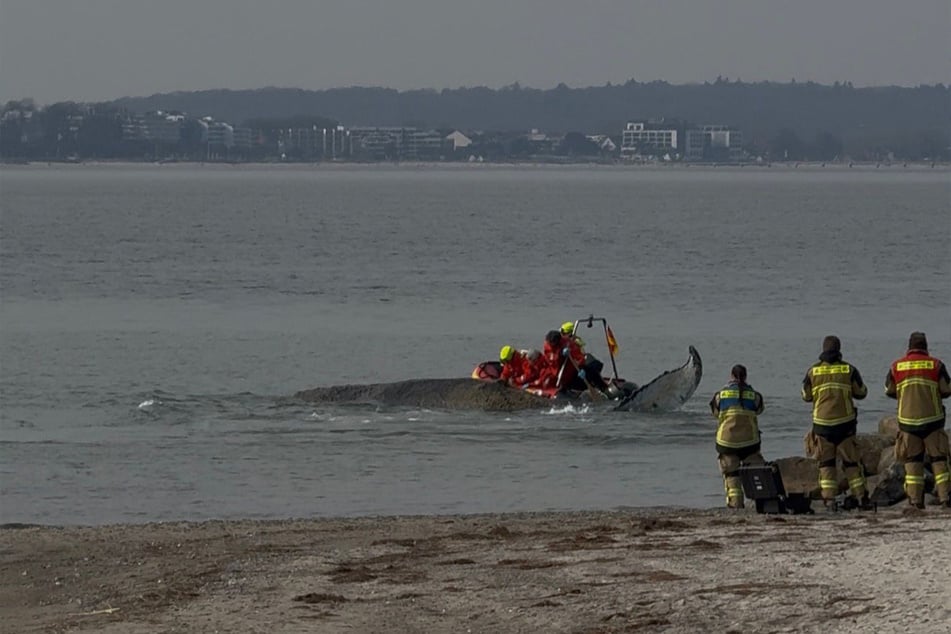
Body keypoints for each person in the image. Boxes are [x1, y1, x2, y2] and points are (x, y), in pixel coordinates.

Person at [801, 335, 871, 509]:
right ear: (839, 350)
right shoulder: (849, 370)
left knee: (826, 464)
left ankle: (829, 500)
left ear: (823, 350)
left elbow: (806, 396)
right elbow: (861, 392)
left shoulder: (813, 371)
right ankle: (861, 497)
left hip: (822, 426)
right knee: (852, 463)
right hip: (845, 425)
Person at [885, 331, 951, 509]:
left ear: (909, 346)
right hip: (933, 421)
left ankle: (915, 501)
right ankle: (945, 498)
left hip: (907, 423)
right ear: (926, 346)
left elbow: (889, 390)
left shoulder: (896, 366)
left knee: (913, 462)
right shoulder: (936, 365)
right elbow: (947, 390)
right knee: (939, 460)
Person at [710, 364, 765, 509]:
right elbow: (759, 410)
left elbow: (715, 413)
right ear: (746, 376)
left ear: (731, 376)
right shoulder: (755, 396)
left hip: (726, 442)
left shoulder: (720, 395)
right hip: (750, 442)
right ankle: (761, 502)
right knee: (756, 472)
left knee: (732, 475)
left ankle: (736, 505)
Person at [558, 321, 609, 392]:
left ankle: (602, 386)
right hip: (570, 373)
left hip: (577, 368)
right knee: (593, 368)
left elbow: (580, 356)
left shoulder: (574, 342)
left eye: (563, 333)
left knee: (594, 365)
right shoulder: (563, 344)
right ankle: (602, 385)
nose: (561, 335)